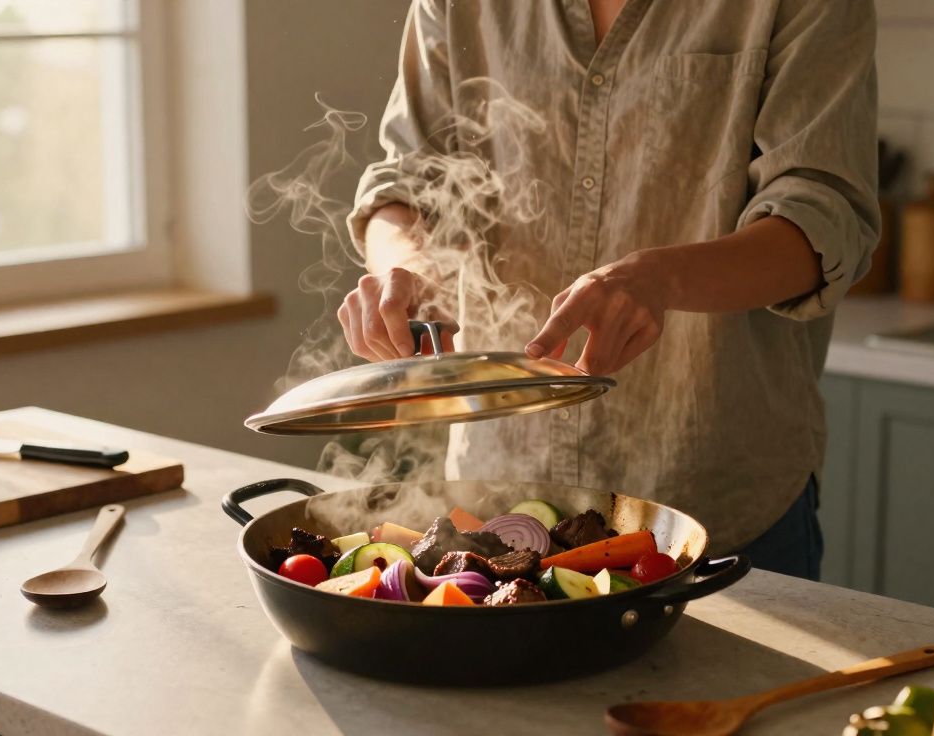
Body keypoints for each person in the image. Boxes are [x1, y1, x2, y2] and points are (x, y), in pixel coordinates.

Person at [340, 0, 879, 581]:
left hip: (720, 504)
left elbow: (823, 220)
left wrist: (660, 277)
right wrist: (407, 268)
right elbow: (405, 180)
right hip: (497, 493)